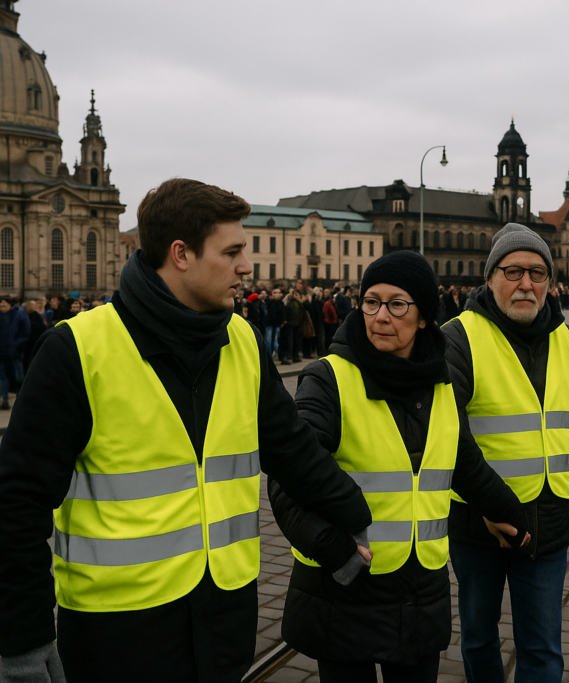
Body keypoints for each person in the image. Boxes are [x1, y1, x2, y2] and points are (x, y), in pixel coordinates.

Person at [0, 178, 371, 683]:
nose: (247, 266)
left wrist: (353, 517)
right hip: (118, 634)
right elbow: (16, 503)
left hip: (224, 621)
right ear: (181, 254)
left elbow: (292, 450)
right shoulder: (76, 349)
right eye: (232, 252)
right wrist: (24, 639)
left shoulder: (242, 340)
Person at [269, 252, 529, 682]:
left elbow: (464, 462)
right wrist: (331, 547)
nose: (381, 316)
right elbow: (288, 476)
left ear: (423, 316)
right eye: (371, 302)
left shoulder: (441, 380)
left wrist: (512, 514)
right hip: (344, 585)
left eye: (397, 304)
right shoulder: (327, 378)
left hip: (418, 592)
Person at [442, 223, 569, 683]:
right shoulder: (457, 337)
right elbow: (449, 436)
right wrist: (493, 506)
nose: (525, 284)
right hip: (478, 522)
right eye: (513, 271)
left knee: (544, 649)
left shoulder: (568, 341)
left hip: (547, 521)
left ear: (551, 282)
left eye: (537, 273)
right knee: (479, 638)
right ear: (490, 278)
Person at [0, 297, 29, 410]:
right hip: (2, 352)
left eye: (4, 304)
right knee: (3, 378)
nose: (2, 306)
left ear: (10, 304)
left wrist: (16, 345)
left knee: (19, 378)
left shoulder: (19, 314)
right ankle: (5, 400)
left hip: (15, 352)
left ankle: (21, 400)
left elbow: (26, 332)